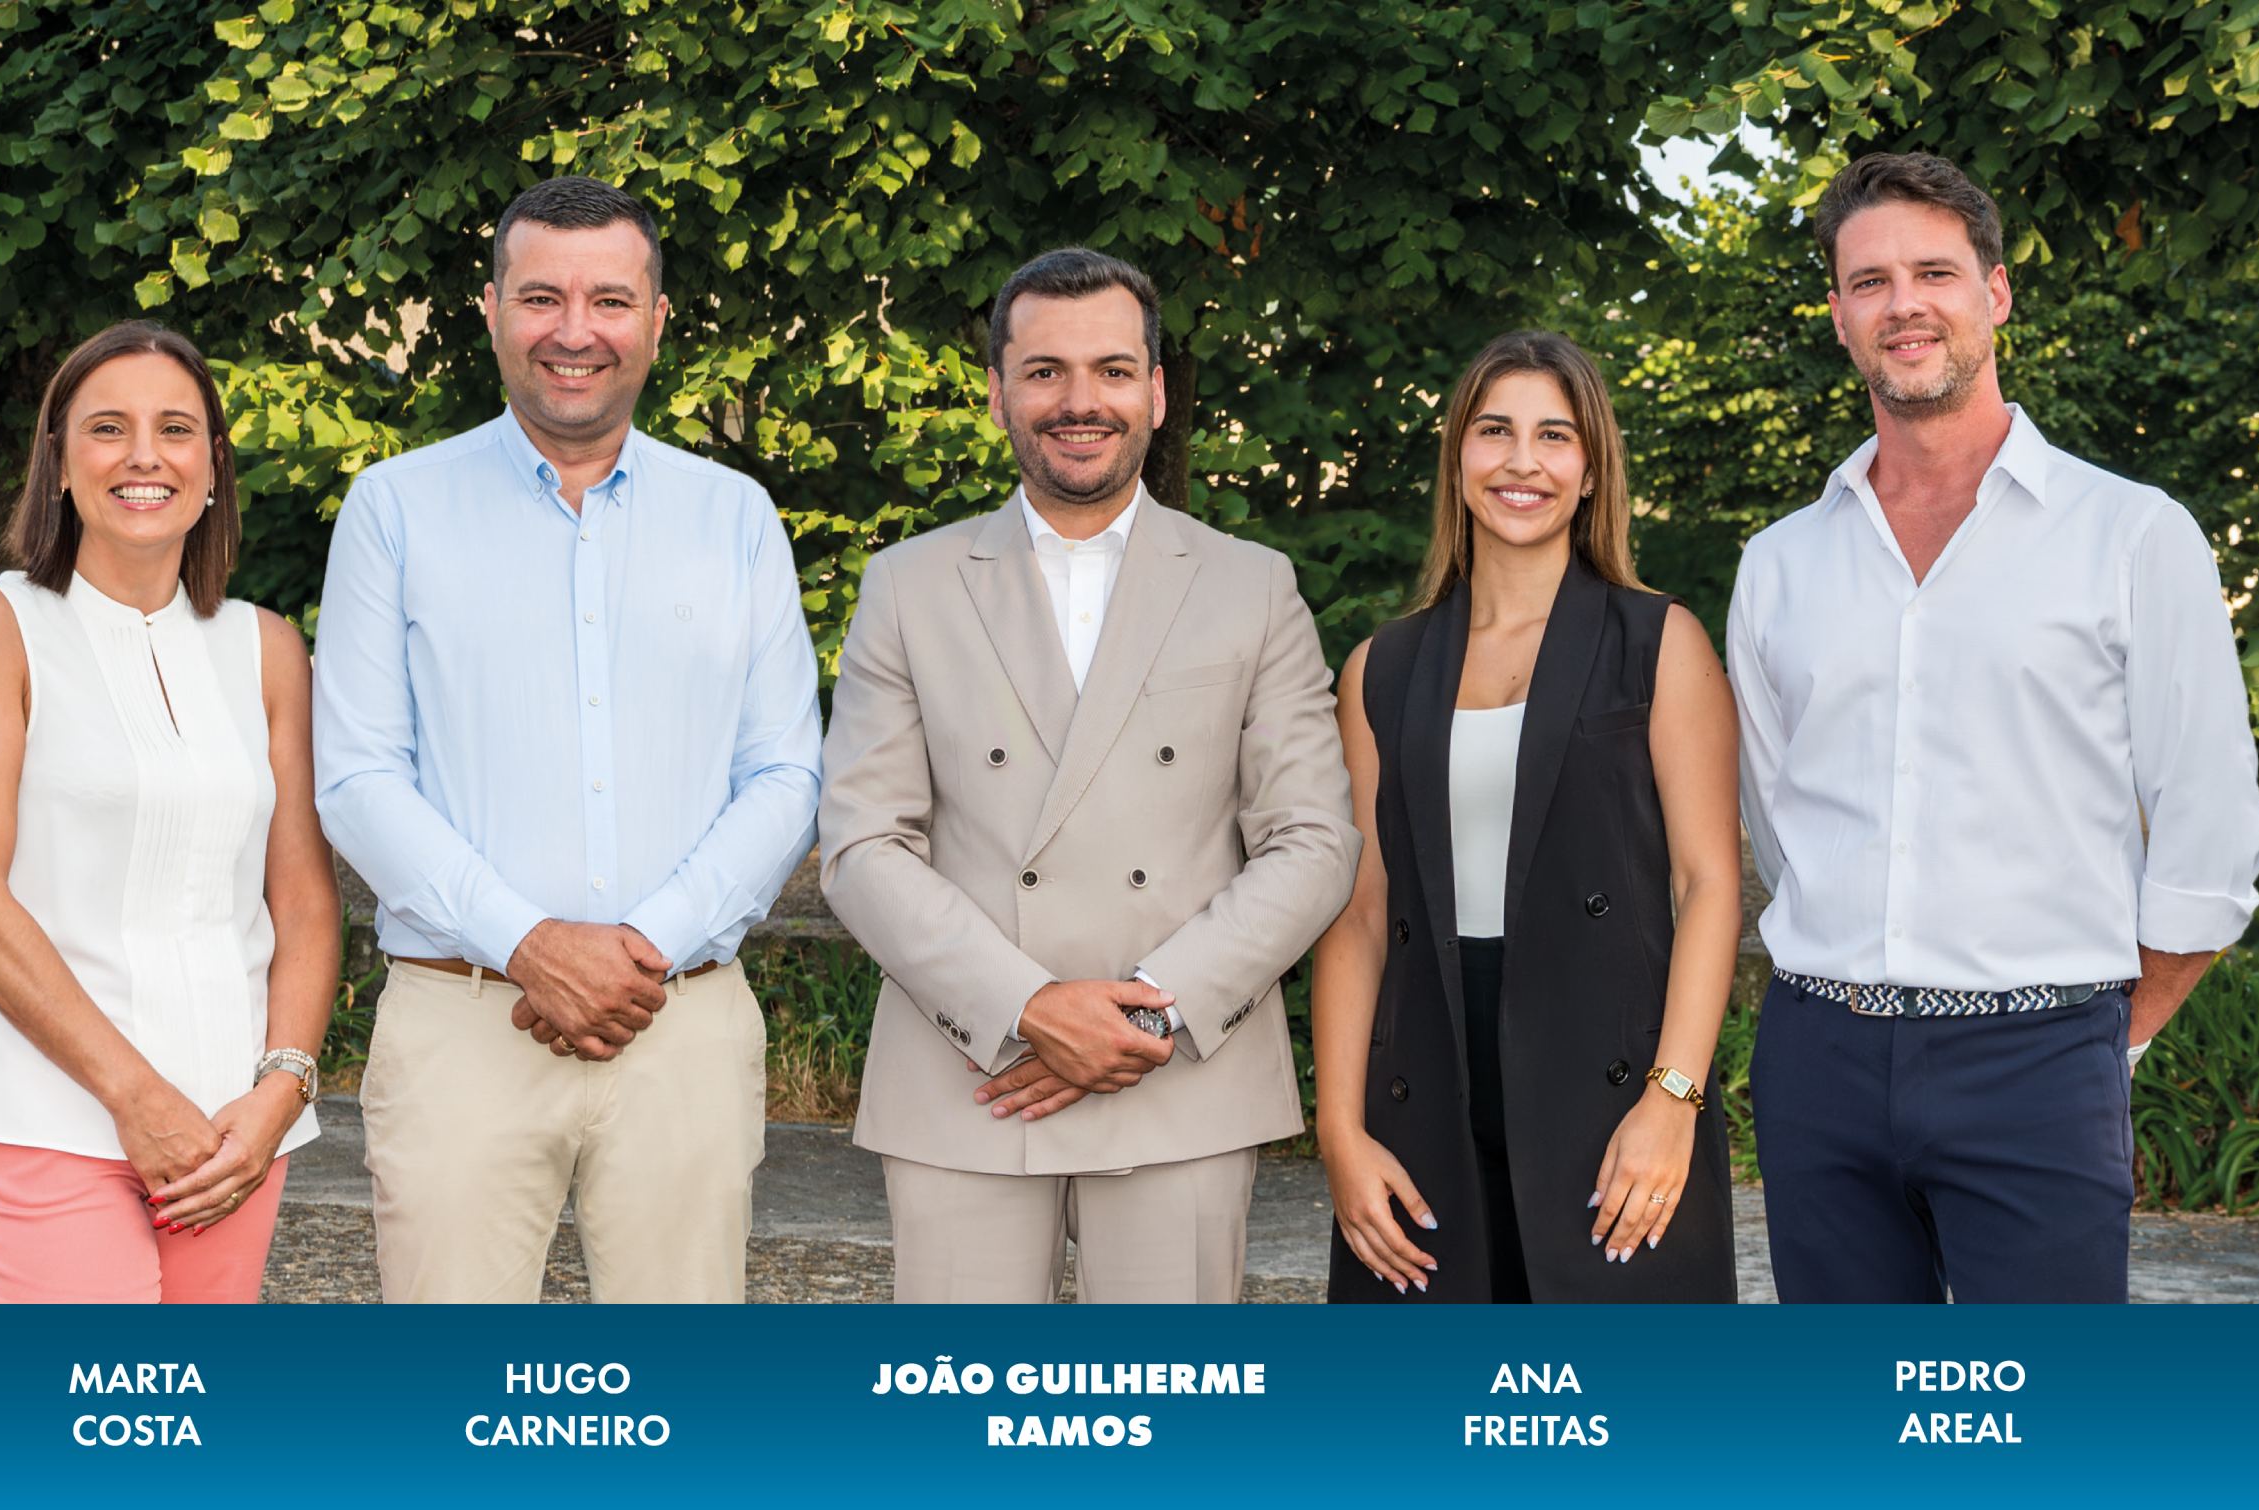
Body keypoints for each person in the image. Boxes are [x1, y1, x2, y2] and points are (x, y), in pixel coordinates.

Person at [1727, 152, 2259, 1304]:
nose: (1903, 303)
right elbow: (1778, 825)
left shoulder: (2129, 533)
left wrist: (2104, 1038)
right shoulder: (1778, 564)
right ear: (1837, 315)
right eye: (1867, 281)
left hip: (2041, 1054)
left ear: (1995, 294)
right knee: (1854, 1439)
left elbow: (2208, 826)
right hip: (1819, 1058)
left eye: (1933, 271)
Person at [313, 175, 821, 1303]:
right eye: (541, 296)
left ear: (656, 318)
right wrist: (529, 942)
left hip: (680, 1025)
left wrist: (642, 944)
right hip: (461, 1023)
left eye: (609, 299)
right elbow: (354, 776)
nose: (574, 331)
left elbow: (785, 772)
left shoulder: (734, 516)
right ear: (488, 308)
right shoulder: (393, 508)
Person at [818, 248, 1359, 1303]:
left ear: (1155, 393)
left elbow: (1314, 840)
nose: (1079, 401)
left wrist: (1150, 1009)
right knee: (966, 1444)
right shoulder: (908, 585)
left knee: (1166, 1444)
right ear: (997, 393)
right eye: (1044, 371)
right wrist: (1027, 1005)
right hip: (966, 1076)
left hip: (1179, 1073)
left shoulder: (1252, 586)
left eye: (1112, 370)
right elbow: (861, 842)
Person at [1311, 332, 1742, 1304]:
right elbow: (1360, 911)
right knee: (1421, 1436)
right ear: (1457, 456)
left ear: (1590, 470)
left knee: (1624, 1434)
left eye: (1554, 436)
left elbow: (1708, 883)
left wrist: (1672, 1099)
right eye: (1493, 430)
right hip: (1423, 1080)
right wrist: (1340, 1132)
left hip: (1609, 1079)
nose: (1520, 461)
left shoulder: (1658, 642)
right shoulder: (1381, 666)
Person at [0, 321, 335, 1303]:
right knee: (96, 1442)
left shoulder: (265, 648)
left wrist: (279, 1093)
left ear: (213, 467)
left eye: (175, 429)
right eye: (108, 427)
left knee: (195, 1438)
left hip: (236, 1129)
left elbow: (303, 901)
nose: (145, 454)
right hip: (45, 1113)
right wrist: (138, 1100)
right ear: (58, 465)